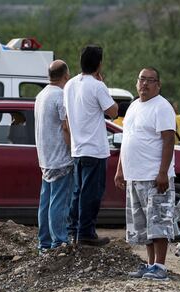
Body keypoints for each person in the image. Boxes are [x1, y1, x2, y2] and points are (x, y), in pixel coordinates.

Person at [115, 67, 176, 281]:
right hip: (134, 175)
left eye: (151, 80)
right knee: (144, 225)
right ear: (136, 82)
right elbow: (126, 139)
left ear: (158, 85)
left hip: (153, 175)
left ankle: (160, 266)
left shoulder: (162, 106)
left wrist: (163, 173)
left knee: (159, 221)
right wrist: (120, 169)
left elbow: (169, 140)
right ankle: (150, 264)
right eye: (142, 79)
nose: (145, 84)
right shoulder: (132, 107)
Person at [64, 45, 118, 247]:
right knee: (91, 193)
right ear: (99, 64)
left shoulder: (70, 84)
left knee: (78, 192)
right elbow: (113, 112)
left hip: (77, 148)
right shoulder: (97, 86)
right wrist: (102, 84)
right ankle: (86, 232)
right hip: (94, 149)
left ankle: (73, 231)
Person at [34, 60, 73, 252]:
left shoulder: (41, 95)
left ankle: (44, 243)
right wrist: (73, 149)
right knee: (59, 201)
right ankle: (59, 242)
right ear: (66, 75)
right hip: (61, 158)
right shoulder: (61, 96)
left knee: (46, 201)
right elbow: (66, 126)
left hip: (45, 157)